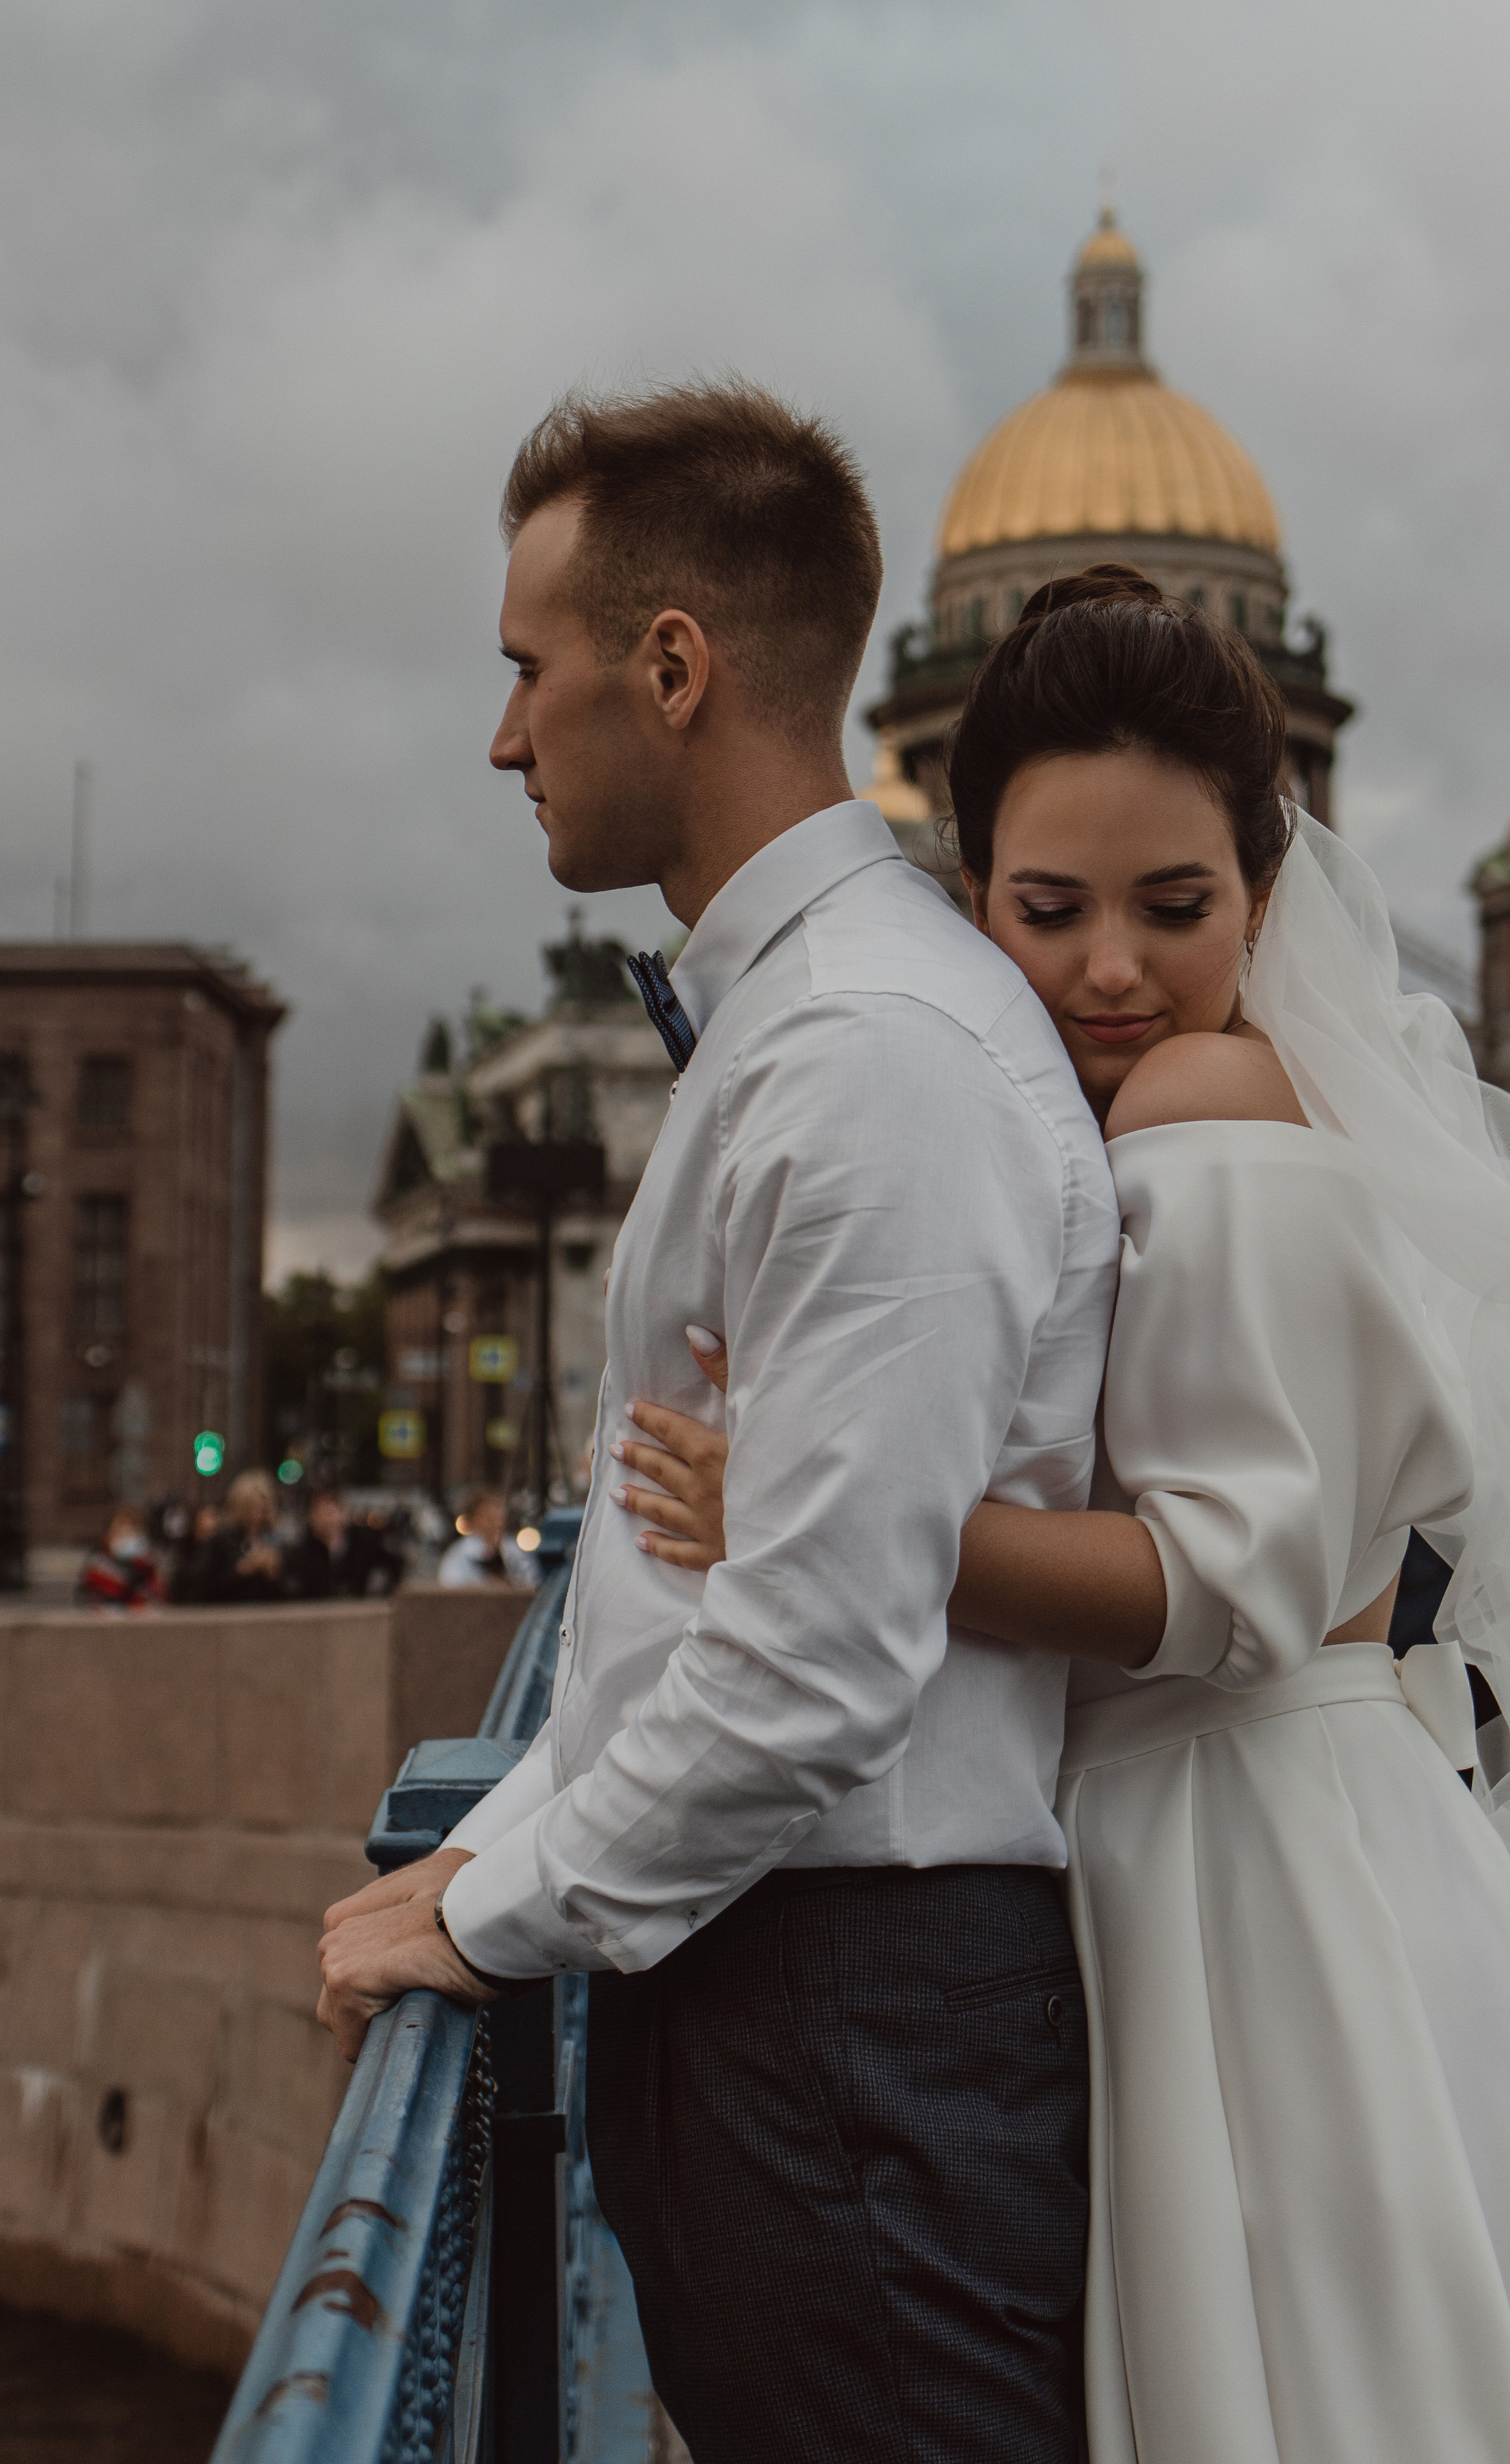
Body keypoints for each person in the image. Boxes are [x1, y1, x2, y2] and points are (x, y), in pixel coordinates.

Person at [619, 567, 1510, 2464]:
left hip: (1262, 1879)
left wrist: (811, 1508)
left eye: (1174, 909)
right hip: (1289, 1855)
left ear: (1266, 894)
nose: (1109, 967)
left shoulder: (1209, 1104)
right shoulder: (1146, 1118)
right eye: (1050, 910)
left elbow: (1226, 1588)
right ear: (972, 893)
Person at [317, 382, 1121, 2463]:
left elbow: (815, 1658)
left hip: (858, 2027)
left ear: (668, 667)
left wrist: (479, 1903)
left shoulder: (866, 1050)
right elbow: (691, 1588)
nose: (503, 734)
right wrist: (509, 1834)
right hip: (796, 2001)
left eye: (526, 666)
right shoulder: (818, 1020)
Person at [193, 1470, 283, 1605]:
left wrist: (274, 1573)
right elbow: (205, 1586)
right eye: (254, 1507)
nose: (259, 1514)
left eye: (263, 1508)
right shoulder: (222, 1542)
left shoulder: (273, 1541)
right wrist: (244, 1569)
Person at [283, 1487, 373, 1600]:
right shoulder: (299, 1555)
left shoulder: (361, 1548)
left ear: (343, 1514)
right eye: (320, 1514)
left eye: (330, 1513)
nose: (326, 1520)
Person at [76, 1502, 165, 1609]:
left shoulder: (150, 1569)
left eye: (132, 1531)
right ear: (108, 1536)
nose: (127, 1536)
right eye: (120, 1532)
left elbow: (160, 1603)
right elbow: (90, 1606)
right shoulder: (96, 1572)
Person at [436, 1488, 506, 1587]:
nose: (496, 1524)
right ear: (472, 1520)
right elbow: (450, 1589)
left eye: (499, 1518)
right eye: (489, 1519)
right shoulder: (460, 1555)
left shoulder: (512, 1550)